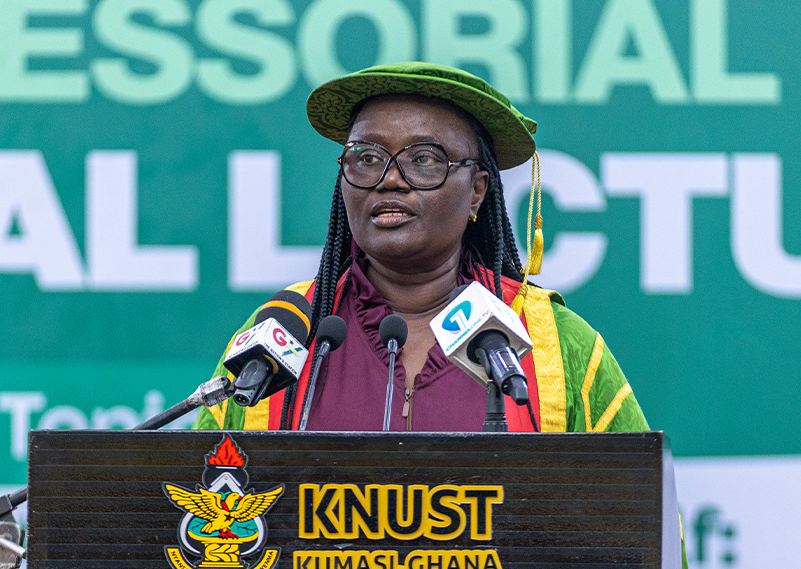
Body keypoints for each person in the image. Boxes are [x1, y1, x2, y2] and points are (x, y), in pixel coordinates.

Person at [193, 62, 649, 436]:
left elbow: (642, 527)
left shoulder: (555, 342)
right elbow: (203, 519)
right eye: (367, 158)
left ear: (477, 191)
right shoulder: (282, 337)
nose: (389, 178)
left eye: (424, 159)